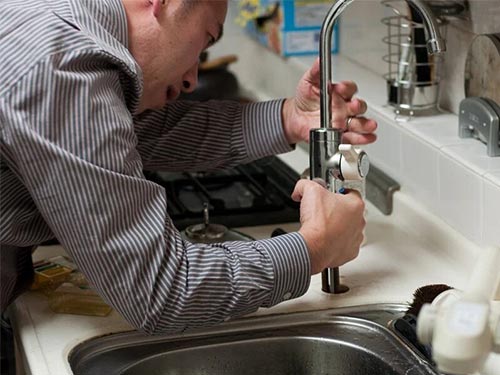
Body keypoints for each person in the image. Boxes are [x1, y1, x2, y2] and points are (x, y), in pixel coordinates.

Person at [0, 0, 377, 336]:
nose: (192, 78)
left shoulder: (62, 24)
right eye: (206, 39)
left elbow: (147, 131)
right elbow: (160, 291)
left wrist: (289, 118)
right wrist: (315, 247)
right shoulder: (64, 68)